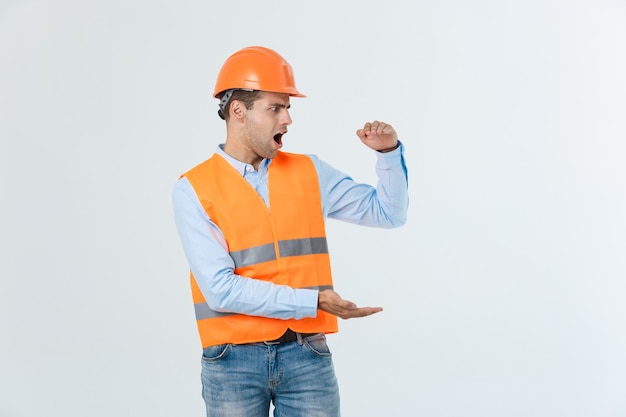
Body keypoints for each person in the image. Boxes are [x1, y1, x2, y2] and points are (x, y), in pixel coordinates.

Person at [172, 46, 409, 417]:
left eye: (288, 108)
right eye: (275, 108)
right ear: (239, 111)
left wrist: (388, 154)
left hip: (306, 355)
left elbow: (388, 213)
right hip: (232, 362)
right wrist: (313, 302)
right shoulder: (193, 189)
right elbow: (220, 289)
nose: (287, 120)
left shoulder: (309, 172)